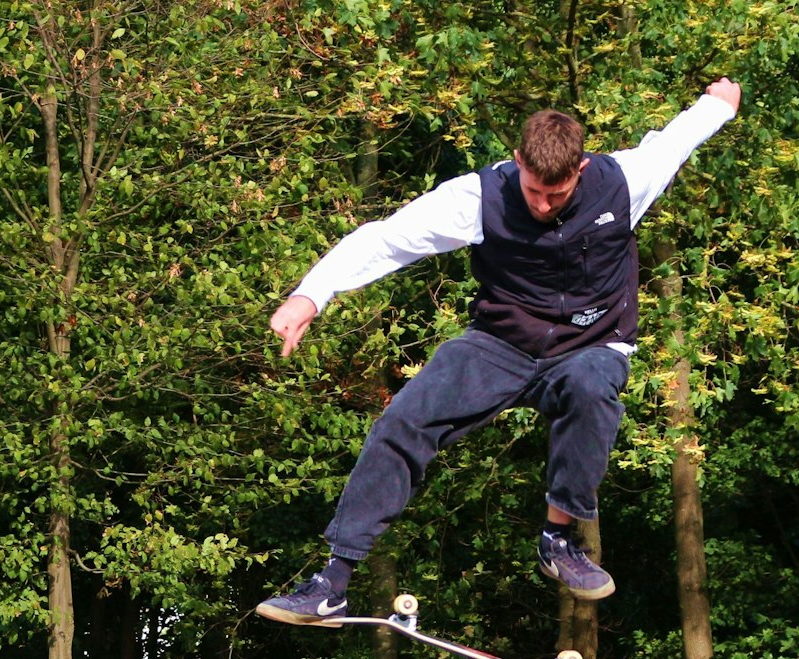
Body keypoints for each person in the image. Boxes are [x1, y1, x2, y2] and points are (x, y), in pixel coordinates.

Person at [256, 79, 742, 626]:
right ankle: (332, 582)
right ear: (517, 162)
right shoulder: (476, 197)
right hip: (500, 343)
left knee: (591, 388)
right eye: (533, 190)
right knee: (404, 420)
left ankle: (559, 541)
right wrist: (310, 295)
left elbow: (677, 138)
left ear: (579, 170)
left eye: (555, 195)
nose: (541, 204)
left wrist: (716, 104)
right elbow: (386, 240)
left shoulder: (625, 181)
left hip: (591, 344)